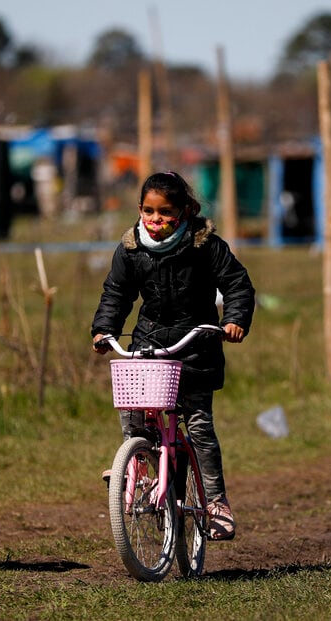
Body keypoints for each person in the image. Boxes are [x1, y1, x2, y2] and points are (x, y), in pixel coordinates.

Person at [91, 171, 254, 541]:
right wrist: (104, 329)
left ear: (185, 211)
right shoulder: (132, 247)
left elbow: (236, 283)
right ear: (139, 210)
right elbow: (116, 293)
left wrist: (234, 320)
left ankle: (215, 503)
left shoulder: (204, 245)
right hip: (149, 341)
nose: (155, 220)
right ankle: (134, 464)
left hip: (195, 345)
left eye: (165, 212)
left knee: (198, 428)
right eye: (148, 211)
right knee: (134, 413)